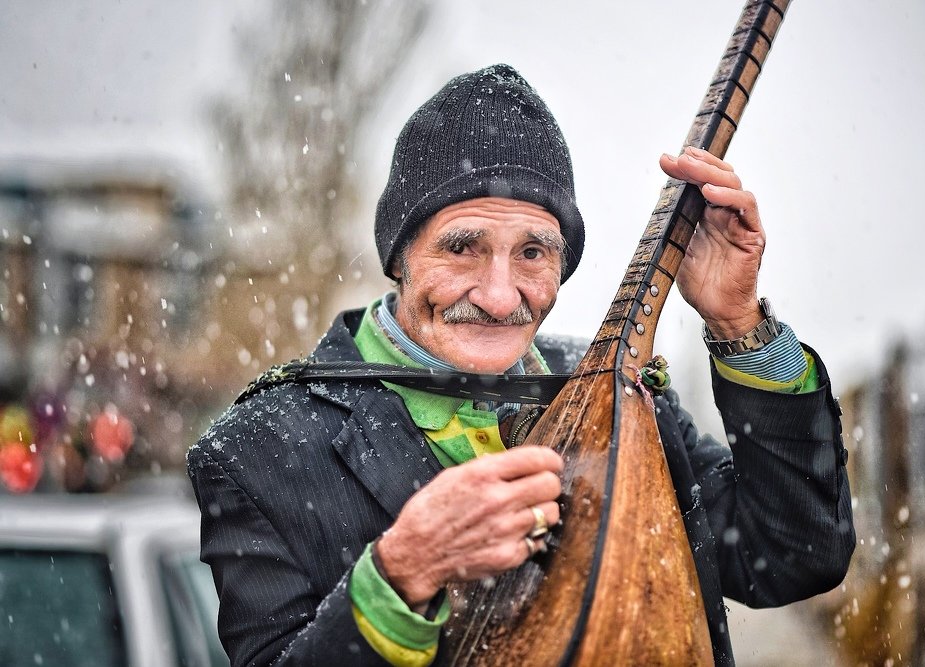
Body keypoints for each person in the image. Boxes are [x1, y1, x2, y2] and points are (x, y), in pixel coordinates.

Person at [188, 64, 855, 666]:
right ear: (400, 257)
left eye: (533, 253)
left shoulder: (616, 388)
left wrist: (738, 323)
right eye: (463, 247)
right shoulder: (256, 451)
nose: (501, 295)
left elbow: (795, 556)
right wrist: (400, 573)